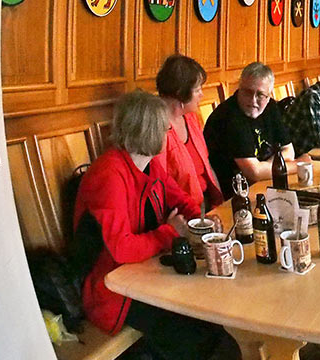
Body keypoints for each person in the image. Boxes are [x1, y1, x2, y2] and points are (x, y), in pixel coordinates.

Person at [71, 91, 236, 359]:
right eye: (164, 128)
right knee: (196, 335)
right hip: (112, 292)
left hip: (146, 276)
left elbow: (178, 197)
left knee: (213, 319)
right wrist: (171, 232)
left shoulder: (147, 164)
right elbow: (121, 249)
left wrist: (201, 219)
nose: (167, 132)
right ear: (148, 131)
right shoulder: (109, 174)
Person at [203, 62, 296, 198]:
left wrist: (267, 167)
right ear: (239, 88)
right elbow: (254, 173)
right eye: (247, 92)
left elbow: (289, 151)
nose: (253, 101)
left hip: (264, 185)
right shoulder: (229, 115)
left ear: (269, 95)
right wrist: (298, 166)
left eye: (260, 95)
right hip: (233, 196)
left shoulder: (270, 107)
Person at [156, 54, 222, 210]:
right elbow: (160, 186)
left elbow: (207, 164)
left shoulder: (191, 118)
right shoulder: (157, 129)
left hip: (206, 202)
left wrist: (220, 203)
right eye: (198, 89)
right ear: (180, 92)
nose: (202, 95)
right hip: (182, 211)